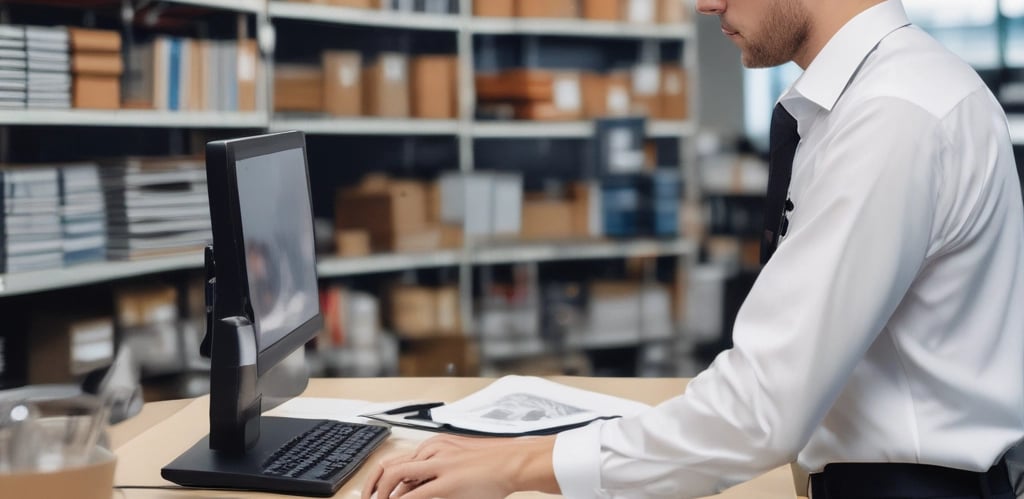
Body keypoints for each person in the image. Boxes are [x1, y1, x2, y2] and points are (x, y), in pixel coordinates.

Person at [363, 0, 1024, 497]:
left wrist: (517, 464)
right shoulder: (871, 100)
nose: (705, 1)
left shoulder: (893, 114)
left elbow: (764, 409)